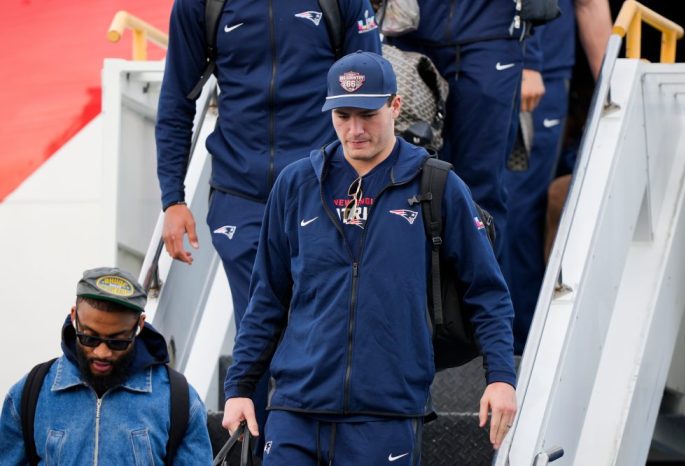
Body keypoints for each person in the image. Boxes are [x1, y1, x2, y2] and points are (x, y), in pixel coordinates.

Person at [221, 51, 517, 465]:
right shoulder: (296, 184)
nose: (355, 130)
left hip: (387, 414)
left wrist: (501, 378)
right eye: (343, 116)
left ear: (395, 106)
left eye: (368, 114)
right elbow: (267, 298)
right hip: (295, 410)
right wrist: (239, 388)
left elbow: (487, 292)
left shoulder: (438, 185)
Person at [156, 2, 381, 440]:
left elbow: (373, 94)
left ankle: (315, 444)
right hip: (239, 195)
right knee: (255, 326)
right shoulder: (201, 5)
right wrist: (173, 200)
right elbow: (176, 100)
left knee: (324, 325)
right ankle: (255, 452)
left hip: (322, 188)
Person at [0, 267, 212, 464]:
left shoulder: (179, 401)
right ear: (74, 317)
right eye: (89, 338)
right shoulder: (30, 394)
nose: (102, 352)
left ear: (139, 325)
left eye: (117, 341)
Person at [506, 0, 612, 353]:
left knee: (519, 211)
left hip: (538, 75)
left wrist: (616, 87)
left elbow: (589, 4)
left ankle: (520, 344)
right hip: (456, 63)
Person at [386, 0, 526, 265]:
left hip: (489, 38)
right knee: (406, 184)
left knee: (480, 188)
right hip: (407, 34)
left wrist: (535, 63)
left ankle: (482, 288)